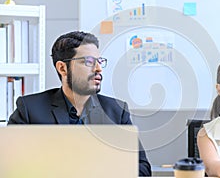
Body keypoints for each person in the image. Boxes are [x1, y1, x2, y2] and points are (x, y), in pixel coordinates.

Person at [8, 31, 152, 176]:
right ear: (62, 68)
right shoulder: (30, 110)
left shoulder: (116, 112)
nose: (98, 69)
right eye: (88, 62)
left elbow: (142, 169)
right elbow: (10, 166)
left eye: (99, 61)